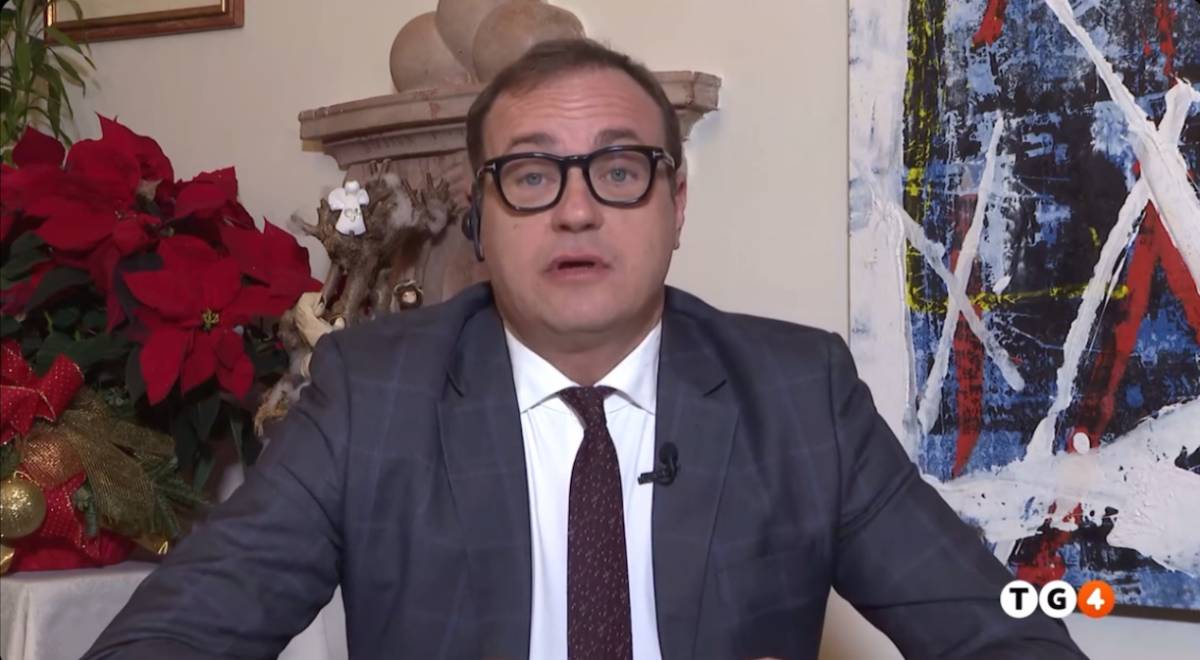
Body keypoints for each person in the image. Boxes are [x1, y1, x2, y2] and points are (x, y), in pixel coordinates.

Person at [85, 39, 1087, 659]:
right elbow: (170, 636)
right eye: (530, 176)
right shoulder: (371, 396)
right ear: (479, 217)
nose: (575, 210)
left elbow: (1004, 628)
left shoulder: (799, 394)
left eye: (619, 170)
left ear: (676, 205)